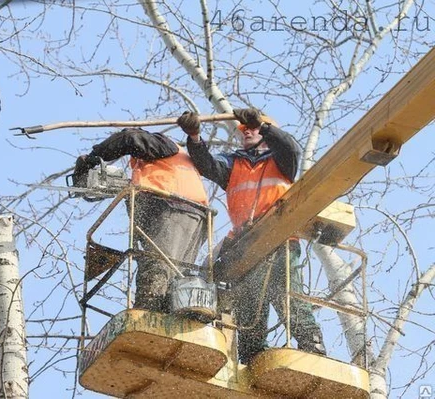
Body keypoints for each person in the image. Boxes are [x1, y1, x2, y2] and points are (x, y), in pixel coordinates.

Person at [177, 109, 326, 364]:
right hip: (245, 245)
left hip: (279, 240)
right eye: (243, 130)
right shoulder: (234, 162)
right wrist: (194, 138)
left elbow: (291, 148)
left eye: (252, 128)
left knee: (285, 294)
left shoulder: (281, 161)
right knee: (249, 303)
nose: (246, 132)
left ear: (266, 131)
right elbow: (207, 165)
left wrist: (264, 126)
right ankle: (253, 356)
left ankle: (312, 345)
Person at [73, 127, 210, 314]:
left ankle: (146, 314)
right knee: (175, 275)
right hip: (191, 216)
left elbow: (129, 137)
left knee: (156, 264)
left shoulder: (164, 145)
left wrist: (93, 157)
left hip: (175, 208)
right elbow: (138, 190)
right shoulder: (153, 170)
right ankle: (169, 313)